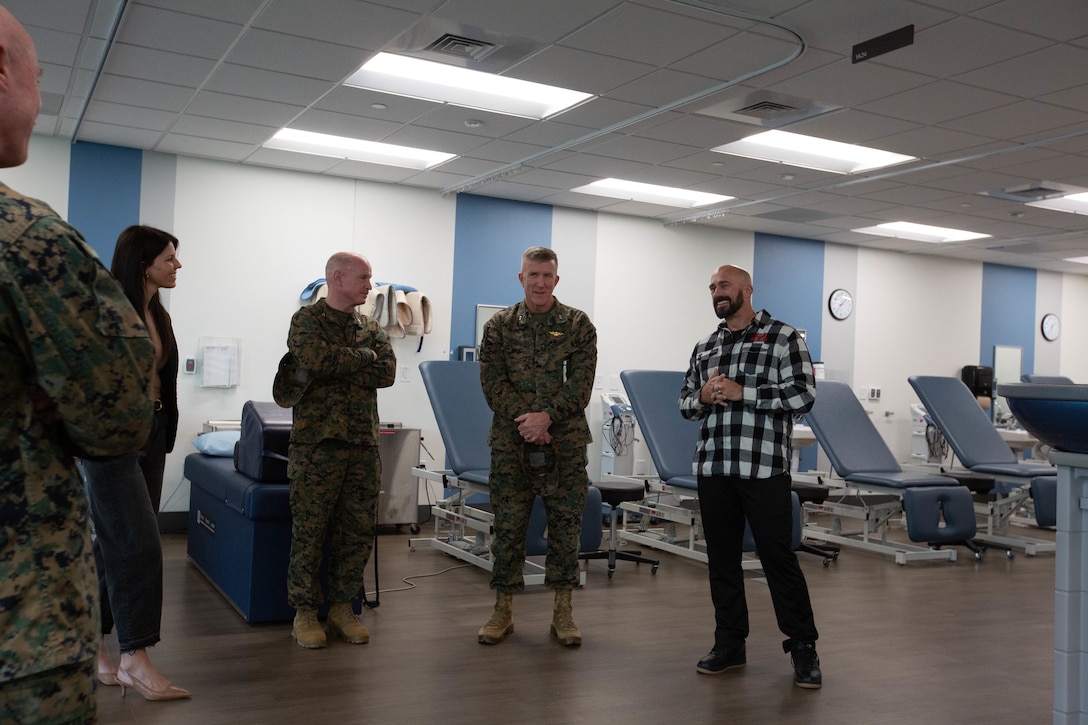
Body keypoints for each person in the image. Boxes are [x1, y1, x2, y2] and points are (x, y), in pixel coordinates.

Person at [0, 6, 156, 722]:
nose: (39, 94)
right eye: (38, 75)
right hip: (19, 631)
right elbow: (119, 412)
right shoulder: (27, 240)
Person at [678, 264, 822, 689]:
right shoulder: (705, 346)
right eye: (711, 288)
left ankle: (803, 647)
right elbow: (685, 403)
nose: (716, 293)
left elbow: (804, 394)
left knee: (778, 558)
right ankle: (729, 644)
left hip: (762, 470)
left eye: (723, 285)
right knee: (721, 561)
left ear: (746, 289)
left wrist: (746, 393)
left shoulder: (784, 337)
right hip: (714, 467)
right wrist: (703, 395)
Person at [82, 225, 190, 701]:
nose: (177, 266)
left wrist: (162, 432)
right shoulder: (105, 306)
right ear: (144, 263)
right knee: (141, 545)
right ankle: (135, 656)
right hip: (110, 443)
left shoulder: (157, 315)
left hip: (151, 433)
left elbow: (162, 381)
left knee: (113, 547)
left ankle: (93, 648)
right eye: (169, 258)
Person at [477, 246, 597, 647]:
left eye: (547, 275)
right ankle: (502, 610)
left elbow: (580, 385)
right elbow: (493, 384)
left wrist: (547, 418)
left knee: (566, 527)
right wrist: (528, 423)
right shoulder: (498, 326)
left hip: (564, 443)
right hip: (511, 443)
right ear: (521, 278)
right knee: (509, 527)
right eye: (533, 275)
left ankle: (563, 611)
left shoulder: (578, 325)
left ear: (556, 279)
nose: (540, 282)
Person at [280, 251, 396, 649]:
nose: (369, 285)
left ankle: (342, 607)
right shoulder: (307, 321)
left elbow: (388, 372)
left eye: (370, 278)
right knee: (309, 532)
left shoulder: (370, 326)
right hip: (317, 447)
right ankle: (305, 611)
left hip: (363, 445)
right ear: (337, 277)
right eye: (363, 278)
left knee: (357, 531)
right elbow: (313, 357)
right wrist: (363, 357)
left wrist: (344, 362)